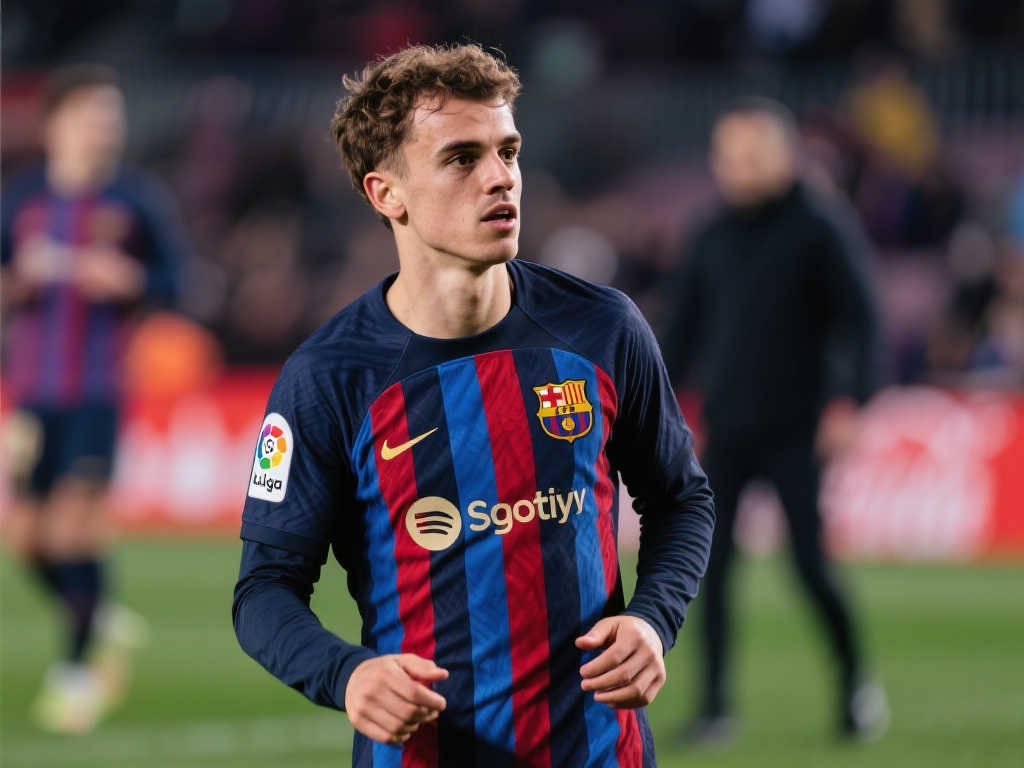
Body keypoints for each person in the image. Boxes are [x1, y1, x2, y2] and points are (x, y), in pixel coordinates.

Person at [232, 43, 715, 767]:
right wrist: (348, 674)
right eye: (462, 159)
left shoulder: (604, 328)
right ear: (386, 194)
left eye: (508, 151)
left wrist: (653, 619)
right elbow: (264, 590)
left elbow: (681, 499)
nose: (501, 178)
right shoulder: (330, 378)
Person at [661, 97, 889, 745]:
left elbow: (862, 320)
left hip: (798, 427)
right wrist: (659, 406)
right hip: (728, 428)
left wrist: (850, 401)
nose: (741, 167)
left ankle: (855, 686)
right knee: (711, 569)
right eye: (730, 156)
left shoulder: (821, 226)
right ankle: (714, 708)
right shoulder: (710, 233)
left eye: (753, 155)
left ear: (785, 155)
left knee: (810, 566)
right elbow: (680, 333)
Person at [1, 65, 184, 732]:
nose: (104, 128)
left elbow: (176, 282)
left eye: (111, 117)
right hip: (31, 393)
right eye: (90, 115)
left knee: (77, 526)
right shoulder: (21, 200)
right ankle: (97, 613)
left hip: (99, 391)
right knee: (27, 538)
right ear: (56, 124)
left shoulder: (135, 201)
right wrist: (18, 283)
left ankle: (77, 673)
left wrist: (130, 280)